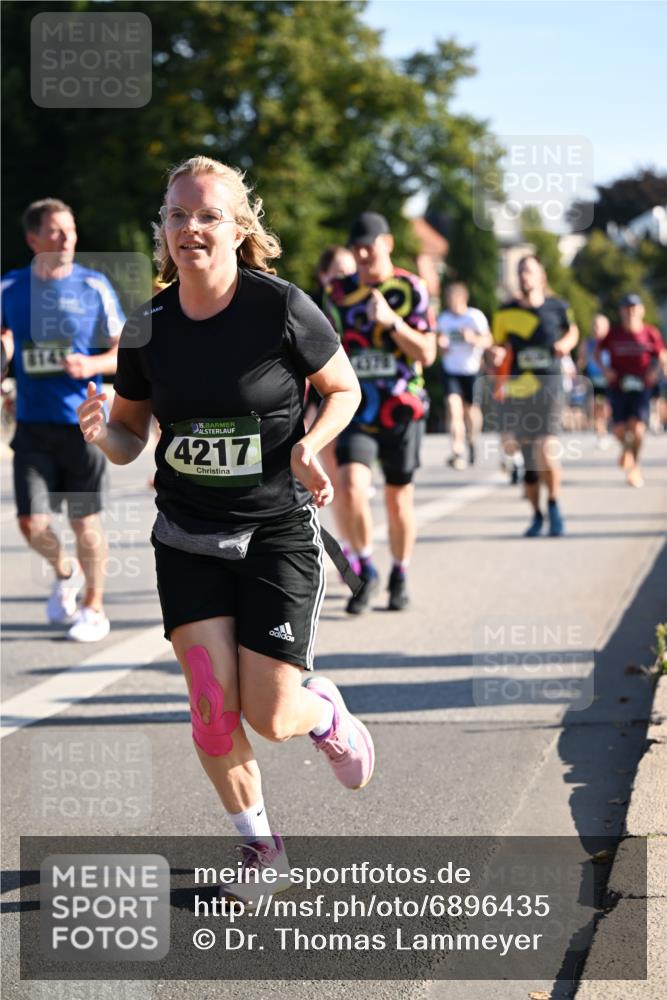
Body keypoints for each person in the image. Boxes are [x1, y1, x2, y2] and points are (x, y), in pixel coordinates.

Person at [77, 156, 372, 901]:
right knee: (211, 707)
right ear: (163, 233)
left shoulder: (279, 308)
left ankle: (324, 711)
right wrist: (102, 433)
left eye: (207, 214)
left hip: (274, 531)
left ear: (240, 228)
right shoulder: (149, 325)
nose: (190, 229)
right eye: (176, 215)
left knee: (271, 716)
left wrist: (310, 442)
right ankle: (260, 847)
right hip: (187, 535)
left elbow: (343, 388)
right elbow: (131, 436)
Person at [1, 198, 124, 641]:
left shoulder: (93, 286)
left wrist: (90, 366)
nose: (66, 239)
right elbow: (4, 339)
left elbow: (124, 351)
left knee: (83, 520)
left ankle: (94, 607)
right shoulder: (10, 288)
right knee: (30, 523)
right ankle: (64, 570)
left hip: (83, 424)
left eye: (70, 230)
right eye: (55, 231)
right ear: (34, 238)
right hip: (32, 424)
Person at [324, 211, 437, 613]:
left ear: (387, 243)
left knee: (398, 500)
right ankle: (366, 569)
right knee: (351, 487)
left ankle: (400, 573)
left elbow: (427, 352)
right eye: (356, 249)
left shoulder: (411, 288)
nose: (363, 254)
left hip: (403, 408)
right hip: (356, 405)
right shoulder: (338, 293)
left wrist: (392, 323)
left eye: (369, 246)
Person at [490, 255, 579, 537]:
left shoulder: (558, 307)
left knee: (546, 448)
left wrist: (566, 343)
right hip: (520, 388)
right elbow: (498, 346)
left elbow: (573, 331)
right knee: (529, 461)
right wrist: (496, 354)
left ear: (542, 276)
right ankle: (537, 514)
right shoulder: (506, 311)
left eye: (529, 270)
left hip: (550, 384)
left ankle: (553, 505)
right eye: (520, 271)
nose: (523, 276)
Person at [304, 246, 358, 570]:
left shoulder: (362, 302)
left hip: (361, 397)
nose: (345, 279)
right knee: (336, 481)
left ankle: (355, 546)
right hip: (323, 399)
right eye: (339, 273)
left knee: (353, 484)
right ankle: (348, 551)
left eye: (350, 273)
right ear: (323, 275)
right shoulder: (308, 307)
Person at [596, 292, 667, 488]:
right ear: (621, 312)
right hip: (618, 386)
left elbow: (662, 355)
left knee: (637, 429)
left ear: (641, 311)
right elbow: (597, 352)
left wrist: (657, 371)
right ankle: (626, 451)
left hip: (642, 386)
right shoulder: (614, 333)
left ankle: (635, 466)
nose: (631, 313)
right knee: (619, 429)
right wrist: (605, 370)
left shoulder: (650, 333)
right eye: (627, 309)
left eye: (634, 308)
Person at [436, 281, 491, 469]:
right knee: (453, 408)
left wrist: (472, 338)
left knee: (472, 411)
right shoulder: (443, 319)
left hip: (472, 369)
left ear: (462, 298)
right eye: (448, 298)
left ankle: (472, 439)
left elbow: (488, 340)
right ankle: (457, 450)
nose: (450, 302)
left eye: (453, 298)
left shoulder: (474, 317)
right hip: (451, 370)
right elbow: (438, 345)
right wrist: (440, 345)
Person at [578, 313, 611, 448]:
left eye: (599, 326)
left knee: (606, 407)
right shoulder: (587, 343)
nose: (596, 328)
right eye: (594, 326)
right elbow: (581, 361)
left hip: (609, 379)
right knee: (595, 407)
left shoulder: (611, 342)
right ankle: (600, 433)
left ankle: (606, 427)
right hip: (593, 380)